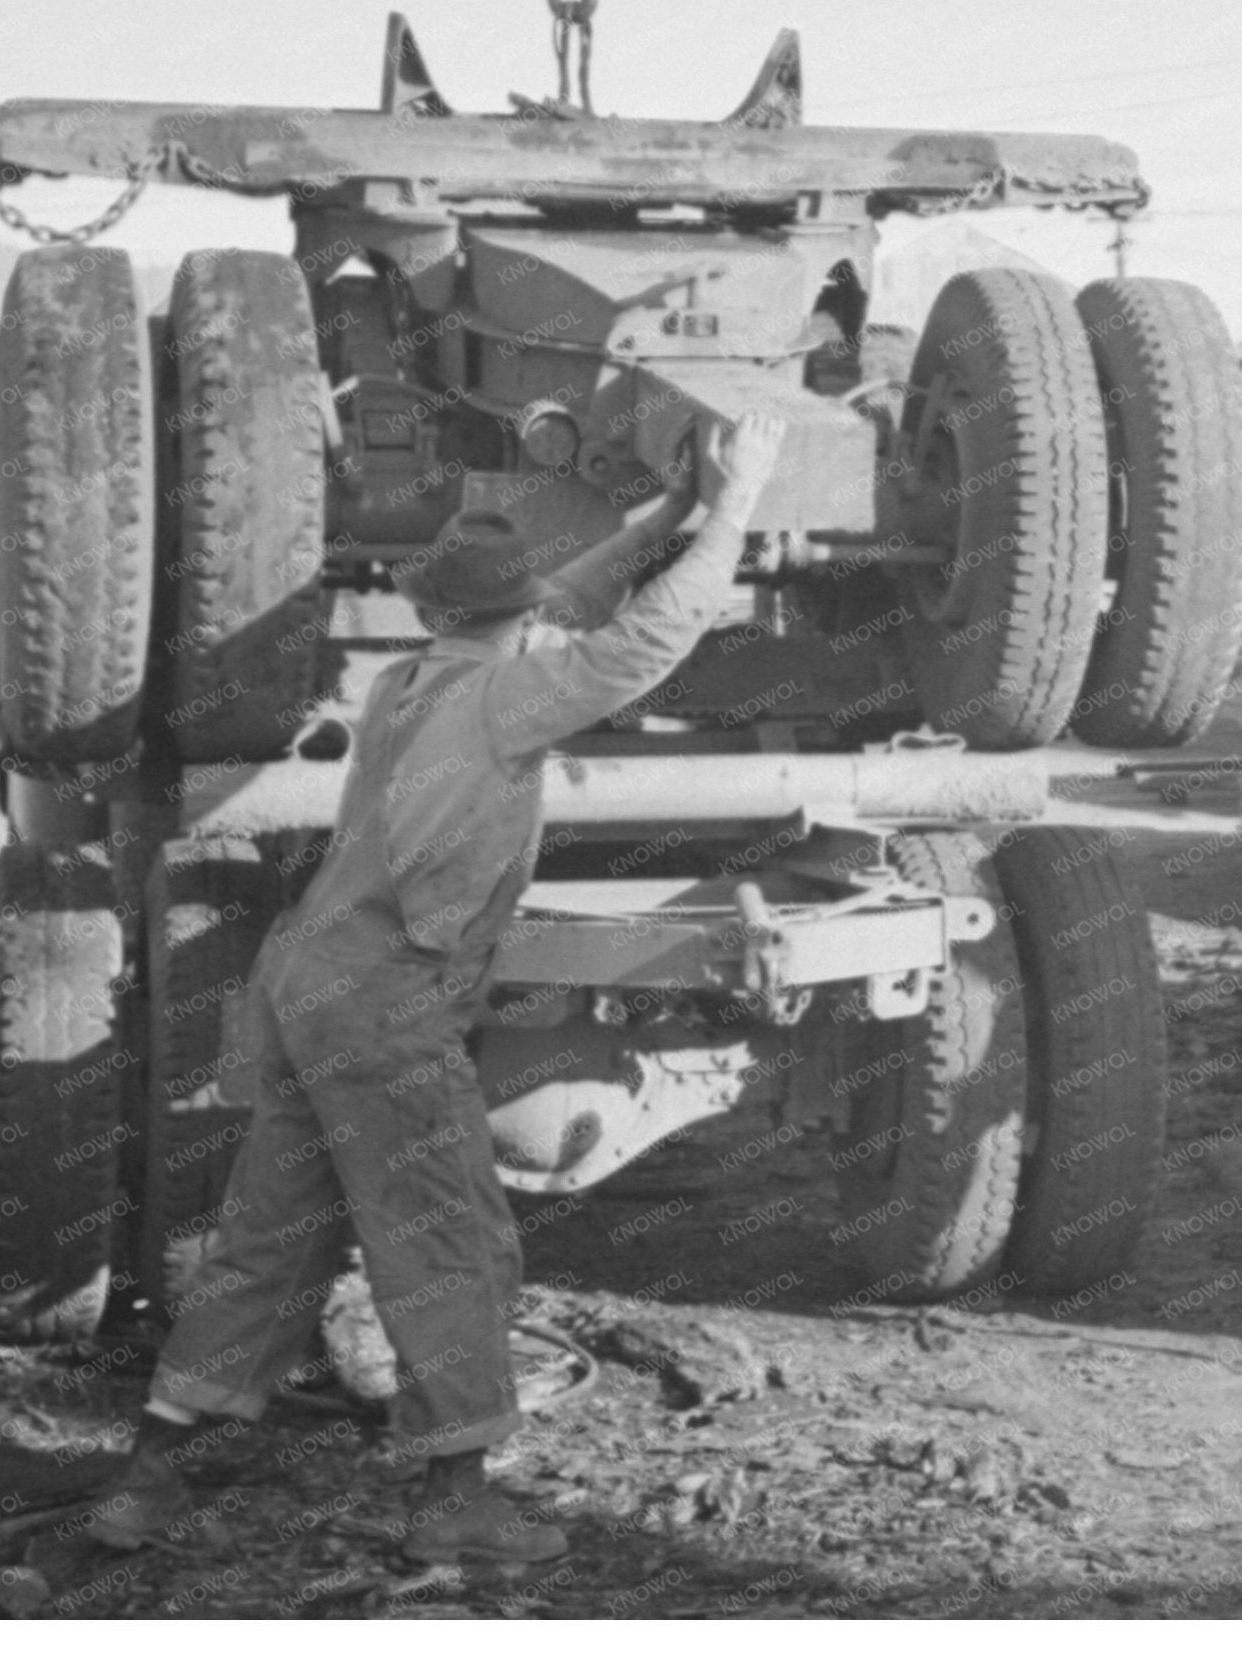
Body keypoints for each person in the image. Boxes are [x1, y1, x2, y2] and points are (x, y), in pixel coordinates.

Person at [90, 410, 789, 1564]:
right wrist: (738, 503)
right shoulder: (506, 700)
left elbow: (555, 601)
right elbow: (648, 633)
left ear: (432, 607)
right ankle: (451, 1499)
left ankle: (150, 1473)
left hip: (308, 981)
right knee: (448, 1239)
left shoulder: (412, 679)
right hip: (383, 1004)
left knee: (276, 1230)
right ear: (510, 615)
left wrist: (671, 508)